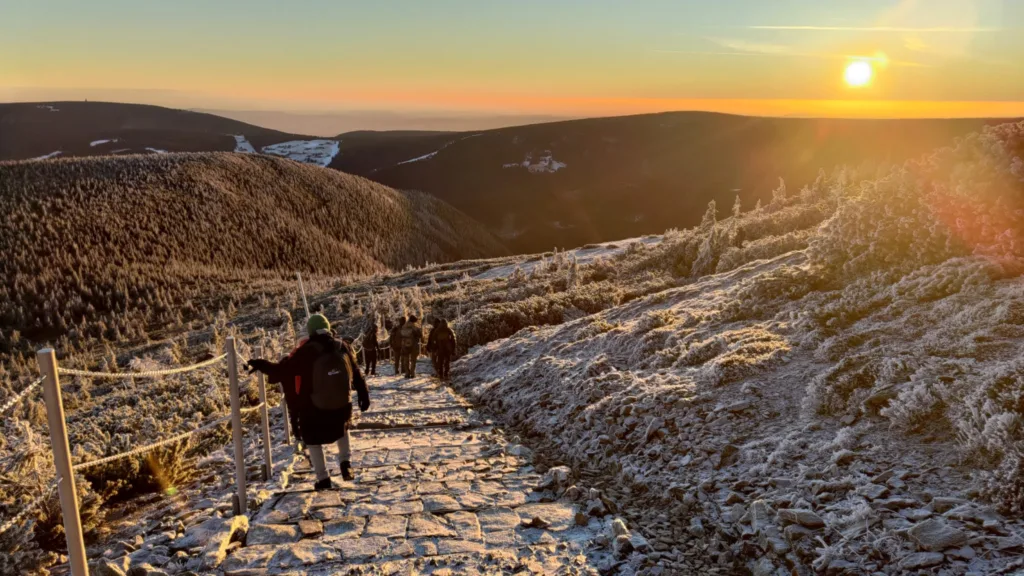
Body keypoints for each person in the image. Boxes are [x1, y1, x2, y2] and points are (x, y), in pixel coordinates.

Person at [246, 314, 370, 489]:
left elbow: (283, 371)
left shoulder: (307, 351)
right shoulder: (342, 346)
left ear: (311, 331)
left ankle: (323, 478)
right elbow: (356, 373)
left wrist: (261, 364)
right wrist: (364, 394)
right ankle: (345, 462)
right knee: (343, 426)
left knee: (312, 438)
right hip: (343, 404)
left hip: (315, 408)